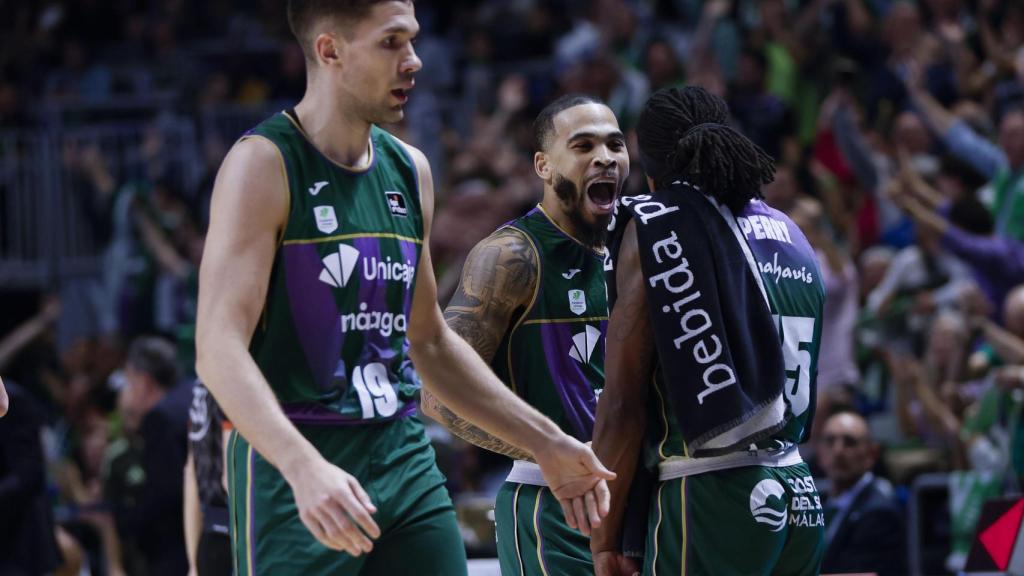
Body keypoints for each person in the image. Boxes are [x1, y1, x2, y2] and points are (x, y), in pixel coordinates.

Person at [194, 2, 613, 575]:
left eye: (413, 40)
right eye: (392, 42)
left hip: (402, 456)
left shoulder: (409, 170)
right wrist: (302, 466)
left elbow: (432, 343)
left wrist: (546, 440)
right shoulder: (262, 165)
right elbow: (217, 348)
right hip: (296, 461)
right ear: (330, 50)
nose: (414, 61)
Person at [590, 86, 826, 576]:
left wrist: (605, 538)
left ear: (649, 164)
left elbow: (622, 405)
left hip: (711, 493)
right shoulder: (791, 232)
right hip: (799, 487)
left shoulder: (659, 226)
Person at [420, 94, 628, 575]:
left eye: (615, 144)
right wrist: (547, 451)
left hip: (639, 494)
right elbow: (437, 397)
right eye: (582, 145)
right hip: (551, 503)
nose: (604, 157)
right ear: (543, 164)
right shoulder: (511, 255)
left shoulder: (639, 247)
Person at [119, 336, 193, 576]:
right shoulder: (191, 392)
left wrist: (126, 522)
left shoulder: (159, 418)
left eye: (129, 382)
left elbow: (166, 490)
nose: (127, 392)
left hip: (177, 542)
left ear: (145, 382)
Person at [818, 411, 905, 576]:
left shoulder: (879, 512)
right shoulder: (818, 502)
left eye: (849, 442)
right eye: (830, 441)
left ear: (871, 454)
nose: (838, 451)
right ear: (820, 452)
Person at [184, 381, 232, 576]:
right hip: (238, 534)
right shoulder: (233, 381)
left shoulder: (200, 388)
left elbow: (191, 471)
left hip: (210, 535)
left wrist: (193, 563)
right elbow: (231, 479)